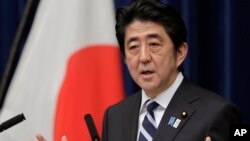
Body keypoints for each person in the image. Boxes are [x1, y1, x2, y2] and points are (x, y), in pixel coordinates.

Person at [34, 0, 241, 141]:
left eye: (154, 45)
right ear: (124, 58)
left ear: (180, 52)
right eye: (133, 47)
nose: (143, 57)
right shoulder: (115, 115)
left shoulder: (216, 113)